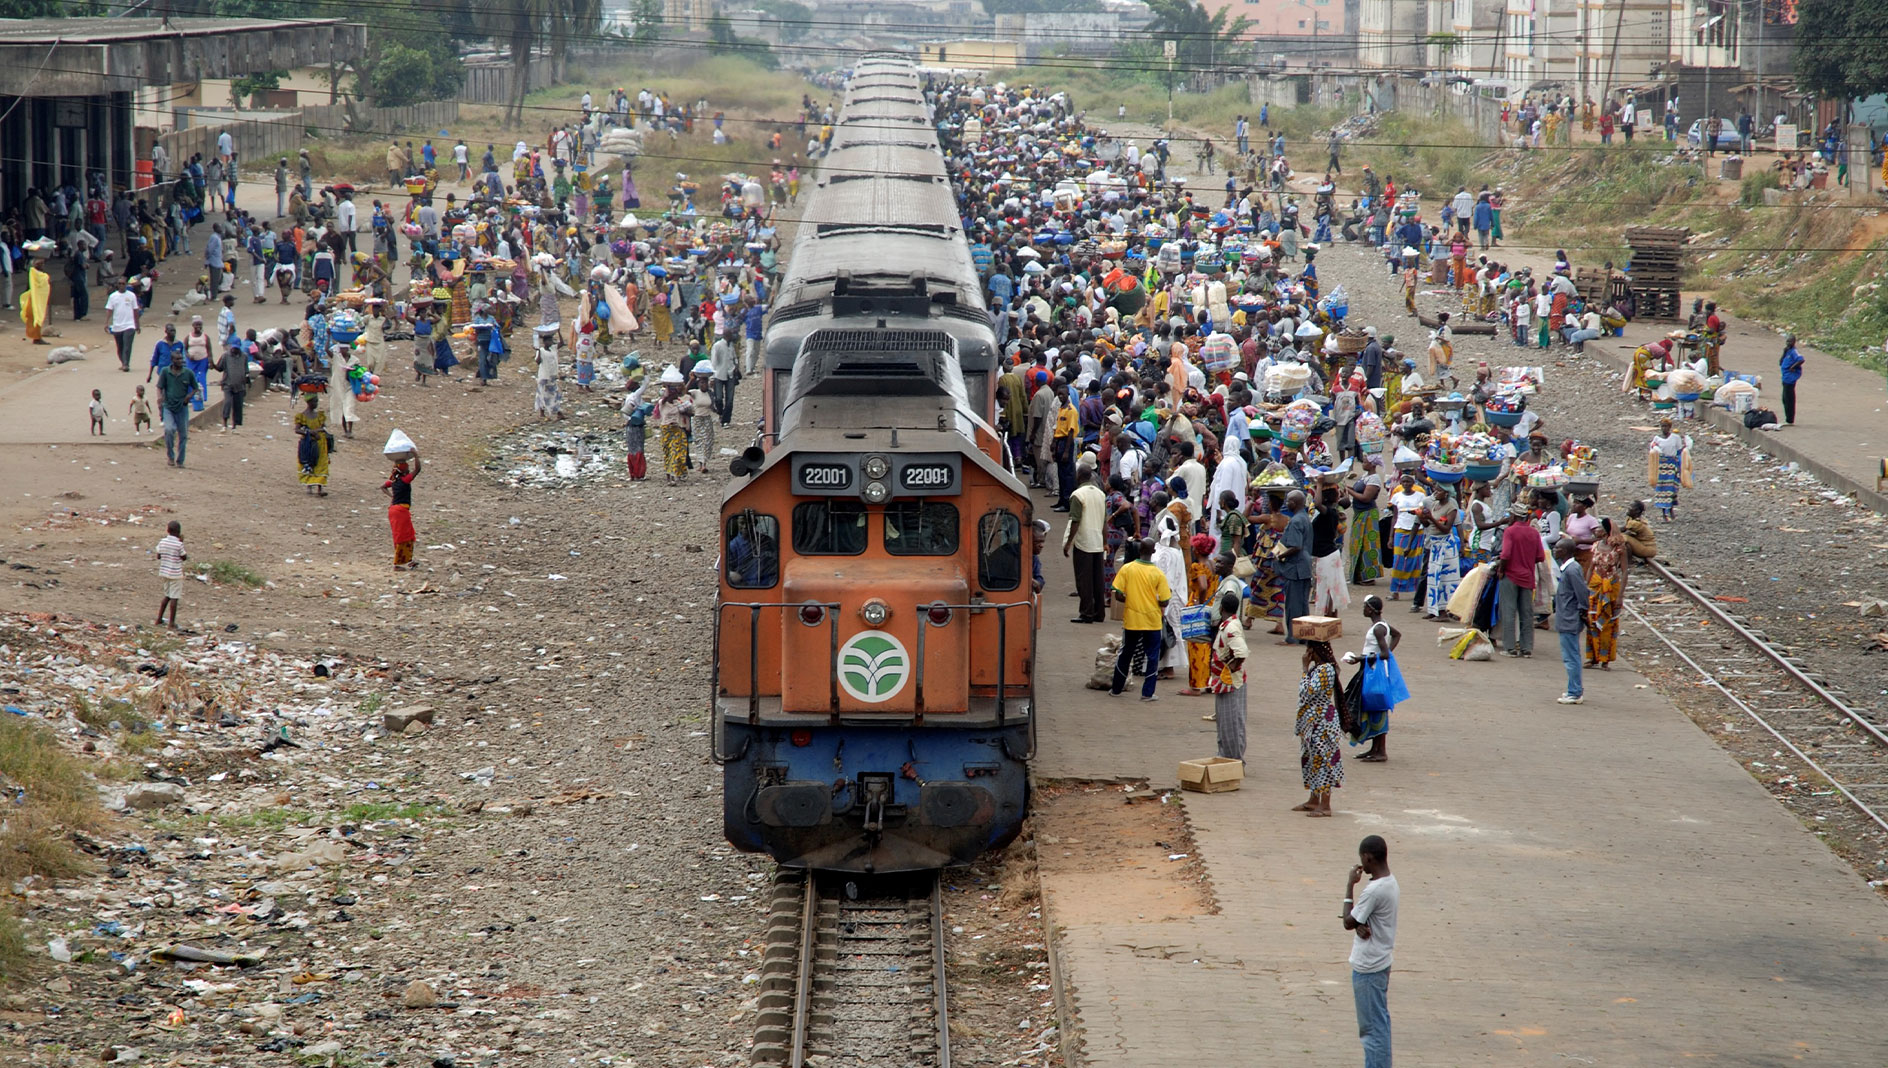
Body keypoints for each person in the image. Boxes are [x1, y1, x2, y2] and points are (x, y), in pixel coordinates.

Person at [1342, 835, 1398, 1068]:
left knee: (1372, 1031)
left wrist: (1349, 885)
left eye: (1361, 858)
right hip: (1381, 961)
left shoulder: (1374, 890)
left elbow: (1348, 921)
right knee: (1379, 1024)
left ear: (1367, 857)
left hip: (1369, 968)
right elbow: (1362, 919)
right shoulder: (1390, 882)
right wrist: (1360, 924)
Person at [1110, 537, 1172, 702]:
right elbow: (1165, 601)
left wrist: (1132, 598)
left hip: (1132, 618)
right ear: (1153, 552)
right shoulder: (1158, 574)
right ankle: (1147, 693)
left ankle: (1116, 689)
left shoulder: (1127, 569)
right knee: (1152, 657)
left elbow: (1118, 595)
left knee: (1126, 653)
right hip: (1152, 621)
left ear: (1139, 550)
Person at [1294, 639, 1344, 816]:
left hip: (1322, 723)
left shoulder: (1325, 669)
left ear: (1314, 651)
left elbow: (1308, 691)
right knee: (1311, 760)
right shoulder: (1319, 668)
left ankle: (1325, 805)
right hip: (1312, 722)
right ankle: (1314, 799)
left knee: (1323, 761)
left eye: (1309, 650)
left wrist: (1304, 668)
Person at [1497, 500, 1543, 655]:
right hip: (1528, 576)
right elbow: (1540, 556)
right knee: (1527, 613)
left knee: (1509, 611)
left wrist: (1501, 570)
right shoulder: (1534, 533)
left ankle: (1510, 647)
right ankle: (1526, 647)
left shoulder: (1510, 531)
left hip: (1511, 574)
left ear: (1514, 516)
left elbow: (1505, 554)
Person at [1207, 589, 1249, 759]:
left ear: (1221, 608)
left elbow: (1241, 652)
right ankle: (1225, 757)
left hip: (1230, 682)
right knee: (1225, 723)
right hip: (1224, 681)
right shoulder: (1230, 624)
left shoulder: (1230, 628)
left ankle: (1234, 760)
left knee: (1231, 724)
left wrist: (1231, 667)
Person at [1064, 463, 1106, 623]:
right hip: (1097, 541)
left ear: (1079, 476)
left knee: (1084, 579)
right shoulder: (1100, 494)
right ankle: (1099, 613)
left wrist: (1068, 542)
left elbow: (1075, 520)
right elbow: (1104, 521)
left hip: (1084, 542)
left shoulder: (1077, 495)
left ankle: (1086, 613)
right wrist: (1105, 542)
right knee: (1097, 579)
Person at [1552, 540, 1588, 704]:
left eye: (1558, 548)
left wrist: (1582, 611)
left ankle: (1575, 692)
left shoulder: (1572, 570)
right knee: (1571, 656)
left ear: (1566, 551)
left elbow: (1582, 593)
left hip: (1569, 618)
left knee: (1571, 657)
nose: (1555, 550)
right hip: (1566, 617)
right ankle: (1573, 689)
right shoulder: (1569, 569)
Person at [1277, 490, 1314, 644]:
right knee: (1303, 603)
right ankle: (1303, 636)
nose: (1286, 503)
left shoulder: (1296, 521)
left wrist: (1280, 555)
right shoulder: (1305, 518)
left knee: (1293, 604)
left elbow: (1295, 546)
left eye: (1289, 501)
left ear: (1294, 503)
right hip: (1304, 566)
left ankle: (1292, 637)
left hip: (1296, 567)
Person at [1418, 485, 1460, 620]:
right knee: (1433, 577)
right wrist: (1422, 517)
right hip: (1435, 545)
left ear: (1446, 493)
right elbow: (1427, 525)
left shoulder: (1451, 508)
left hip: (1445, 545)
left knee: (1444, 579)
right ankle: (1434, 609)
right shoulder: (1435, 505)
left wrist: (1430, 518)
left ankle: (1443, 612)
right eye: (1435, 489)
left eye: (1439, 490)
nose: (1435, 492)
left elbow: (1446, 528)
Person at [156, 346, 197, 468]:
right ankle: (170, 456)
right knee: (169, 430)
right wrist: (159, 398)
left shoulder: (188, 373)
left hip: (182, 407)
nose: (180, 361)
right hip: (168, 406)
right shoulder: (165, 372)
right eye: (177, 359)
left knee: (183, 434)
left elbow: (195, 388)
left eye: (181, 358)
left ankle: (180, 460)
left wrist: (189, 396)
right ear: (172, 360)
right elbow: (159, 387)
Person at [1386, 473, 1425, 599]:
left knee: (1416, 561)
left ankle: (1416, 592)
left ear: (1413, 483)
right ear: (1400, 483)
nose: (1406, 484)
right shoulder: (1396, 496)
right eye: (1404, 482)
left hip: (1418, 531)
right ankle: (1395, 591)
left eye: (1408, 481)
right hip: (1401, 529)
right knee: (1398, 560)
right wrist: (1391, 537)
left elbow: (1423, 514)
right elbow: (1395, 517)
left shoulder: (1420, 496)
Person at [652, 364, 693, 484]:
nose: (676, 396)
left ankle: (677, 474)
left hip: (677, 429)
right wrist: (667, 388)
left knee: (678, 452)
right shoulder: (663, 403)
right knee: (668, 453)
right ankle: (669, 476)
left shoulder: (678, 403)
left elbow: (688, 411)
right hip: (666, 430)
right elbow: (664, 398)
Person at [1647, 418, 1690, 522]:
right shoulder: (1657, 439)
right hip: (1661, 466)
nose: (1664, 428)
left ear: (1670, 427)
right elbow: (1653, 449)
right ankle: (1664, 513)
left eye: (1666, 426)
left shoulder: (1675, 438)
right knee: (1662, 490)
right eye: (1662, 426)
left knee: (1672, 489)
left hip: (1672, 465)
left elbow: (1679, 451)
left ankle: (1670, 510)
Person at [382, 456, 422, 569]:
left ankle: (408, 560)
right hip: (400, 511)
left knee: (405, 536)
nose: (408, 469)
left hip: (394, 510)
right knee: (404, 536)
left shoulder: (394, 481)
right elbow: (418, 469)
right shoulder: (405, 480)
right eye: (407, 467)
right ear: (403, 469)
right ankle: (397, 564)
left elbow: (383, 487)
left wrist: (392, 496)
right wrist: (415, 455)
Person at [153, 520, 187, 630]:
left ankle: (159, 619)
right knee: (174, 598)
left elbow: (158, 556)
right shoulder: (179, 544)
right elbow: (184, 557)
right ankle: (171, 623)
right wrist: (181, 542)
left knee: (167, 596)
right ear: (179, 532)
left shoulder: (162, 542)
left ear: (167, 530)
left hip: (164, 572)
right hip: (175, 574)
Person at [295, 392, 330, 495]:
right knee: (309, 463)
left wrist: (316, 431)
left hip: (320, 443)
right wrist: (310, 432)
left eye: (317, 401)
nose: (316, 404)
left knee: (321, 464)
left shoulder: (319, 415)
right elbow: (297, 430)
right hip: (308, 444)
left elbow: (323, 427)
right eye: (314, 401)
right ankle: (309, 486)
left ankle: (320, 488)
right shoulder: (301, 416)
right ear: (308, 402)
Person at [106, 278, 140, 371]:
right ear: (117, 285)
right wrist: (106, 323)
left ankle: (126, 364)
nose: (121, 285)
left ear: (126, 284)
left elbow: (135, 310)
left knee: (127, 345)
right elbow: (109, 310)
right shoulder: (113, 296)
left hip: (129, 325)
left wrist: (137, 324)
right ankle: (123, 362)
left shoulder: (131, 295)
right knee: (120, 347)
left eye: (123, 283)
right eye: (120, 283)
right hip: (117, 326)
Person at [1779, 334, 1803, 425]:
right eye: (1787, 341)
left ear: (1794, 342)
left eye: (1790, 341)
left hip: (1790, 378)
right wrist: (1784, 352)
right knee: (1784, 398)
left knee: (1789, 398)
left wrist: (1793, 367)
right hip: (1785, 376)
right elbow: (1780, 362)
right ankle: (1787, 418)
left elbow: (1801, 360)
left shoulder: (1794, 351)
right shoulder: (1787, 351)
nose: (1788, 343)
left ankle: (1789, 420)